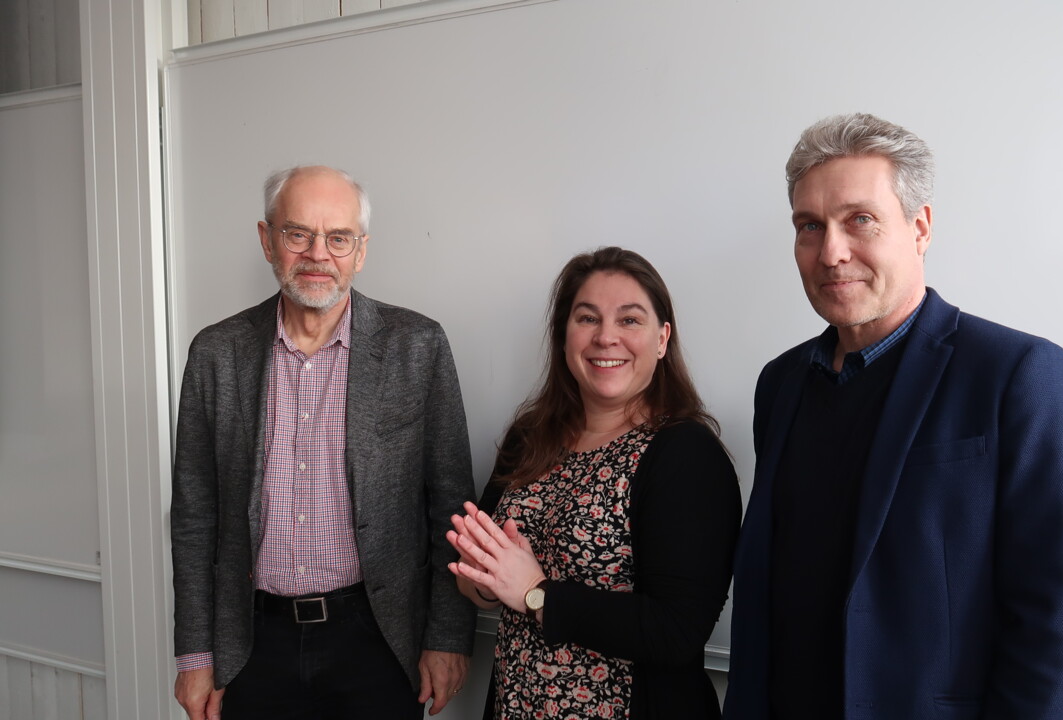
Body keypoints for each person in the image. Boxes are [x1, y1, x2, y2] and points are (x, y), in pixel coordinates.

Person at [724, 114, 1063, 719]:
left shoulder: (1017, 374)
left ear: (920, 226)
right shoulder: (781, 384)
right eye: (809, 226)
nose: (832, 251)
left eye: (860, 220)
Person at [170, 165, 476, 720]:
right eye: (297, 234)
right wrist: (196, 654)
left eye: (338, 237)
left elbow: (450, 506)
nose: (318, 254)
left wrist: (449, 636)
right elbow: (195, 516)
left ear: (360, 251)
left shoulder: (418, 346)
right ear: (267, 240)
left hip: (379, 639)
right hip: (251, 644)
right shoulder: (216, 354)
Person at [447, 246, 740, 720]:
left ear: (662, 338)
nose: (606, 337)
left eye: (629, 320)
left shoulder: (687, 456)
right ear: (565, 336)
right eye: (587, 318)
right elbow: (481, 574)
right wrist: (483, 581)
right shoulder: (530, 436)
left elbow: (676, 632)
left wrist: (535, 593)